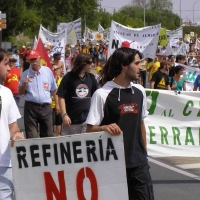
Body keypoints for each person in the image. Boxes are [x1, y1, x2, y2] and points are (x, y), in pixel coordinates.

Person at [85, 47, 154, 200]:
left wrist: (144, 153)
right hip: (112, 165)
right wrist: (103, 127)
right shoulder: (102, 94)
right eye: (137, 63)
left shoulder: (140, 91)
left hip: (139, 164)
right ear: (124, 65)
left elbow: (141, 124)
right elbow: (89, 130)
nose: (141, 67)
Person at [0, 48, 24, 200]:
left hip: (4, 166)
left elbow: (13, 126)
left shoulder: (7, 93)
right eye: (6, 63)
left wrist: (17, 134)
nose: (9, 68)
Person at [19, 50, 58, 138]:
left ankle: (46, 151)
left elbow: (54, 90)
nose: (34, 62)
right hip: (31, 108)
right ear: (28, 61)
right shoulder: (25, 74)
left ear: (39, 58)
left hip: (46, 107)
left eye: (35, 59)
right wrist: (24, 84)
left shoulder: (47, 71)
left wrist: (57, 105)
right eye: (32, 60)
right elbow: (20, 92)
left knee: (48, 135)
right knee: (32, 136)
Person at [57, 53, 98, 135]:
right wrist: (64, 115)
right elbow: (61, 96)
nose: (92, 65)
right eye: (90, 63)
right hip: (72, 120)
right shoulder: (68, 77)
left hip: (87, 121)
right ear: (83, 63)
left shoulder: (91, 78)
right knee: (71, 146)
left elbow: (96, 96)